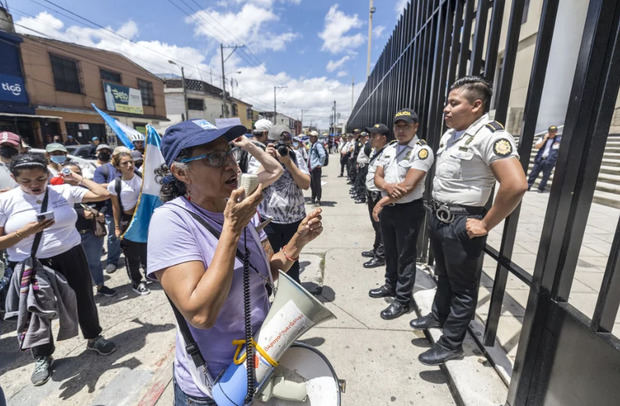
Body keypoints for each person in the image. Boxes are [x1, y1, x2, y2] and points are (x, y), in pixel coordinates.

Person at [147, 120, 319, 404]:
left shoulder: (242, 209)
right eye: (214, 157)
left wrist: (297, 242)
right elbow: (201, 314)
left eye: (228, 152)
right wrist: (231, 228)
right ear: (181, 172)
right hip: (212, 388)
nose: (230, 164)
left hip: (258, 364)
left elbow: (264, 274)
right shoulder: (171, 220)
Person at [409, 76, 527, 365]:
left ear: (476, 105)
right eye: (446, 103)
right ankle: (438, 316)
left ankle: (451, 344)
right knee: (444, 277)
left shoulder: (491, 135)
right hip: (439, 217)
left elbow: (515, 184)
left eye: (453, 103)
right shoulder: (452, 133)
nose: (445, 109)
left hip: (463, 222)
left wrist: (485, 223)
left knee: (463, 288)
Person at [0, 153, 115, 386]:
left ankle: (93, 337)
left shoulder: (62, 191)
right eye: (26, 181)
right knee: (37, 310)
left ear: (48, 174)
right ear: (14, 178)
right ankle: (42, 355)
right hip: (31, 263)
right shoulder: (6, 200)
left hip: (71, 255)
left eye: (41, 178)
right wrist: (26, 232)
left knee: (84, 298)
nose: (35, 185)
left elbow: (103, 194)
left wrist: (75, 178)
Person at [369, 109, 434, 320]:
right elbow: (378, 176)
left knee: (405, 256)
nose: (401, 130)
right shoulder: (389, 149)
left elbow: (408, 185)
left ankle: (403, 299)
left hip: (408, 210)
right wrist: (387, 186)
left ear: (415, 127)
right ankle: (390, 284)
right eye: (398, 125)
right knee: (390, 251)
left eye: (406, 125)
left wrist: (381, 201)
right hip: (390, 209)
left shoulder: (422, 151)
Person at [251, 128, 311, 284]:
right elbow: (252, 185)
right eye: (277, 144)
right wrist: (266, 160)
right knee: (266, 263)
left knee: (292, 262)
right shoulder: (259, 157)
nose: (281, 149)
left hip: (294, 220)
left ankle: (291, 296)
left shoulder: (295, 156)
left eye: (285, 144)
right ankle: (265, 296)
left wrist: (288, 163)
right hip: (268, 221)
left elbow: (305, 184)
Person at [63, 161, 116, 297]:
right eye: (69, 173)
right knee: (74, 268)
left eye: (77, 173)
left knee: (94, 262)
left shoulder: (90, 188)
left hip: (92, 233)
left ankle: (100, 286)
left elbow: (104, 199)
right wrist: (82, 214)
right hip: (70, 236)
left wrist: (99, 213)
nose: (73, 176)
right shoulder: (57, 192)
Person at [108, 150, 149, 295]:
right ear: (118, 167)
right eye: (125, 163)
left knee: (145, 249)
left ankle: (150, 273)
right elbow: (116, 207)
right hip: (128, 221)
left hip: (144, 219)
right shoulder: (115, 185)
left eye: (131, 162)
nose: (130, 165)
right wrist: (117, 226)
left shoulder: (141, 177)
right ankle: (137, 282)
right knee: (131, 254)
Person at [361, 123, 392, 269]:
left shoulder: (389, 153)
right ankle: (376, 250)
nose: (370, 139)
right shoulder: (375, 151)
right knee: (376, 226)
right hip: (371, 193)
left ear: (384, 138)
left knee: (381, 227)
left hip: (380, 195)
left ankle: (381, 256)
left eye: (374, 136)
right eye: (370, 135)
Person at [93, 145, 122, 274]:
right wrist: (118, 184)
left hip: (130, 208)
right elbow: (98, 187)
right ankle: (112, 261)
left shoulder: (128, 167)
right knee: (113, 236)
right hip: (111, 209)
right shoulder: (102, 170)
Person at [527, 125, 561, 193]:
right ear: (548, 132)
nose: (552, 133)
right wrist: (545, 139)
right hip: (540, 159)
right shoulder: (543, 138)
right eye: (550, 132)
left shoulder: (559, 140)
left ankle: (541, 188)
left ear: (556, 132)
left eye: (553, 132)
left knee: (546, 175)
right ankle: (528, 186)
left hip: (549, 161)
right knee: (533, 173)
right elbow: (537, 146)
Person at [308, 130, 326, 206]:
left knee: (317, 184)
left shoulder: (318, 145)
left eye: (311, 136)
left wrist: (320, 164)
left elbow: (323, 155)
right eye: (310, 136)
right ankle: (313, 198)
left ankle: (318, 200)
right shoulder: (313, 145)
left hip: (316, 168)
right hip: (311, 168)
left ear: (315, 137)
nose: (310, 138)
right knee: (312, 184)